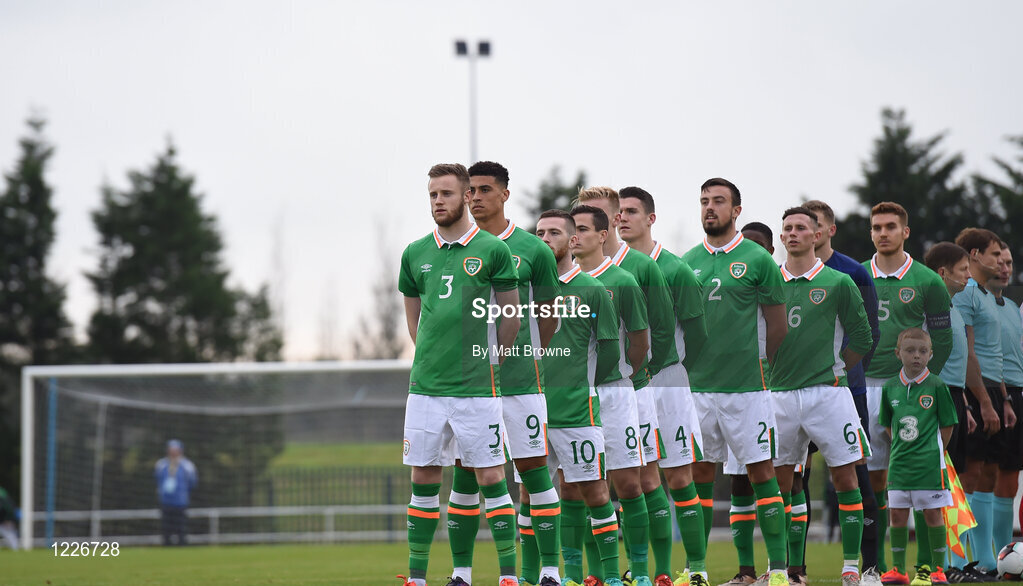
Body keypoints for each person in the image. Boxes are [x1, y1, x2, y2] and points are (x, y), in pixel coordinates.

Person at [397, 163, 521, 586]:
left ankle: (507, 577)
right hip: (426, 389)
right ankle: (416, 578)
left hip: (477, 389)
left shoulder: (492, 250)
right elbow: (415, 323)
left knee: (490, 477)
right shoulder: (415, 253)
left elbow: (511, 320)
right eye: (432, 194)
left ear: (466, 197)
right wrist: (434, 359)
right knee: (423, 477)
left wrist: (488, 363)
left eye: (446, 194)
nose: (437, 202)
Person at [680, 178, 790, 586]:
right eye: (704, 201)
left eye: (719, 202)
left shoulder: (757, 260)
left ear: (736, 210)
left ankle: (777, 571)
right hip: (698, 390)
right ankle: (697, 570)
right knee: (699, 478)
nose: (710, 208)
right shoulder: (685, 261)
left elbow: (777, 328)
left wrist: (758, 369)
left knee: (763, 474)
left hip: (746, 390)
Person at [458, 161, 562, 586]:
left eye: (485, 189)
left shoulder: (533, 250)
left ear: (504, 194)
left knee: (534, 471)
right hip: (467, 385)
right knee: (465, 473)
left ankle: (550, 573)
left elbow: (549, 316)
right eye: (471, 190)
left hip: (520, 382)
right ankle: (461, 573)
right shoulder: (455, 246)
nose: (475, 197)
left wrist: (528, 354)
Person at [771, 207, 874, 586]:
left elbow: (863, 337)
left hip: (828, 395)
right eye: (788, 229)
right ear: (781, 238)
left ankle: (850, 567)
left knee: (846, 478)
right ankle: (779, 570)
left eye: (801, 227)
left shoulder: (838, 282)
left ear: (818, 235)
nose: (794, 233)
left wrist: (836, 369)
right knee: (779, 485)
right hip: (778, 397)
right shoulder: (768, 284)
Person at [615, 186, 711, 586]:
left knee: (678, 476)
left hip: (667, 380)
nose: (622, 218)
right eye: (618, 212)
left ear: (651, 218)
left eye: (631, 212)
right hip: (627, 385)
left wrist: (669, 371)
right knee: (631, 477)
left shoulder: (674, 269)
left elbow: (699, 335)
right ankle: (650, 571)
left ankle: (697, 569)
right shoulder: (605, 269)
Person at [862, 202, 953, 572]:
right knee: (874, 482)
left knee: (919, 481)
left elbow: (943, 340)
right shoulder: (856, 276)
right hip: (865, 388)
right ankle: (881, 567)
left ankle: (926, 568)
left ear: (905, 232)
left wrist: (922, 385)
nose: (883, 233)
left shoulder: (928, 281)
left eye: (890, 227)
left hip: (910, 392)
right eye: (876, 227)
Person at [535, 209, 624, 586]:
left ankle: (610, 577)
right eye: (538, 233)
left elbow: (608, 351)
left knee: (594, 491)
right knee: (534, 496)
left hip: (576, 411)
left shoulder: (591, 290)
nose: (544, 239)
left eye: (553, 232)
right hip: (532, 412)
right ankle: (551, 576)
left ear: (573, 240)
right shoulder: (525, 289)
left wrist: (582, 385)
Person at [570, 204, 651, 586]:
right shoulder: (555, 284)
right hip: (573, 394)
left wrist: (618, 376)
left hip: (615, 394)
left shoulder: (623, 281)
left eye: (583, 229)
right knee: (576, 482)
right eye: (573, 229)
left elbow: (640, 342)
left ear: (603, 235)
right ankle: (588, 574)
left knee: (628, 484)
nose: (575, 236)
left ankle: (640, 571)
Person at [803, 199, 882, 578]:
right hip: (794, 393)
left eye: (814, 225)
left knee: (856, 476)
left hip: (845, 394)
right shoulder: (780, 274)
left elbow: (870, 334)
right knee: (794, 478)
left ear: (829, 230)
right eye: (800, 225)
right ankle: (793, 568)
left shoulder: (852, 273)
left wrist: (841, 374)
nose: (806, 232)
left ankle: (869, 567)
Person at [953, 227, 1016, 576]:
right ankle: (958, 558)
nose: (1000, 262)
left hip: (992, 389)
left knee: (988, 471)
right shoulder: (966, 294)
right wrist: (976, 400)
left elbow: (994, 354)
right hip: (973, 390)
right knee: (967, 473)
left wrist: (1002, 397)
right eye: (994, 254)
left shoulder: (987, 296)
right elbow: (965, 352)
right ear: (975, 255)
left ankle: (989, 560)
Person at [878, 328, 957, 586]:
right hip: (899, 465)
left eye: (923, 351)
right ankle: (898, 570)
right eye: (910, 351)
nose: (916, 356)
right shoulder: (890, 387)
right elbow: (887, 424)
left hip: (929, 466)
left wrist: (933, 449)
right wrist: (903, 446)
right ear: (897, 353)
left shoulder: (937, 385)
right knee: (898, 516)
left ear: (931, 355)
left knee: (933, 516)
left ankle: (935, 570)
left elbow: (947, 425)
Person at [719, 220, 774, 586]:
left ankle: (788, 570)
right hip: (728, 391)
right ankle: (746, 572)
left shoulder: (777, 285)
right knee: (740, 483)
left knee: (786, 481)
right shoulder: (724, 286)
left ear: (768, 253)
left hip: (769, 392)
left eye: (756, 246)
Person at [987, 242, 1023, 555]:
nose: (1005, 268)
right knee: (988, 475)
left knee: (1010, 479)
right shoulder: (976, 304)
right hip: (996, 395)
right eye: (999, 261)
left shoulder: (1013, 308)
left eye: (1009, 262)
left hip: (1018, 394)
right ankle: (994, 553)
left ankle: (1004, 553)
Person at [154, 439, 197, 546]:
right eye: (171, 450)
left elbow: (192, 482)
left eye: (175, 450)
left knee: (181, 528)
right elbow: (157, 480)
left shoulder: (187, 465)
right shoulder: (161, 464)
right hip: (166, 501)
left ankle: (182, 547)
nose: (173, 453)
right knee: (166, 528)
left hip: (180, 502)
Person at [0, 485, 19, 550]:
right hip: (6, 519)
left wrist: (8, 519)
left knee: (10, 535)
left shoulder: (2, 497)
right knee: (11, 535)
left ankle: (15, 549)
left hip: (5, 520)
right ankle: (15, 549)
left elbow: (7, 509)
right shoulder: (4, 495)